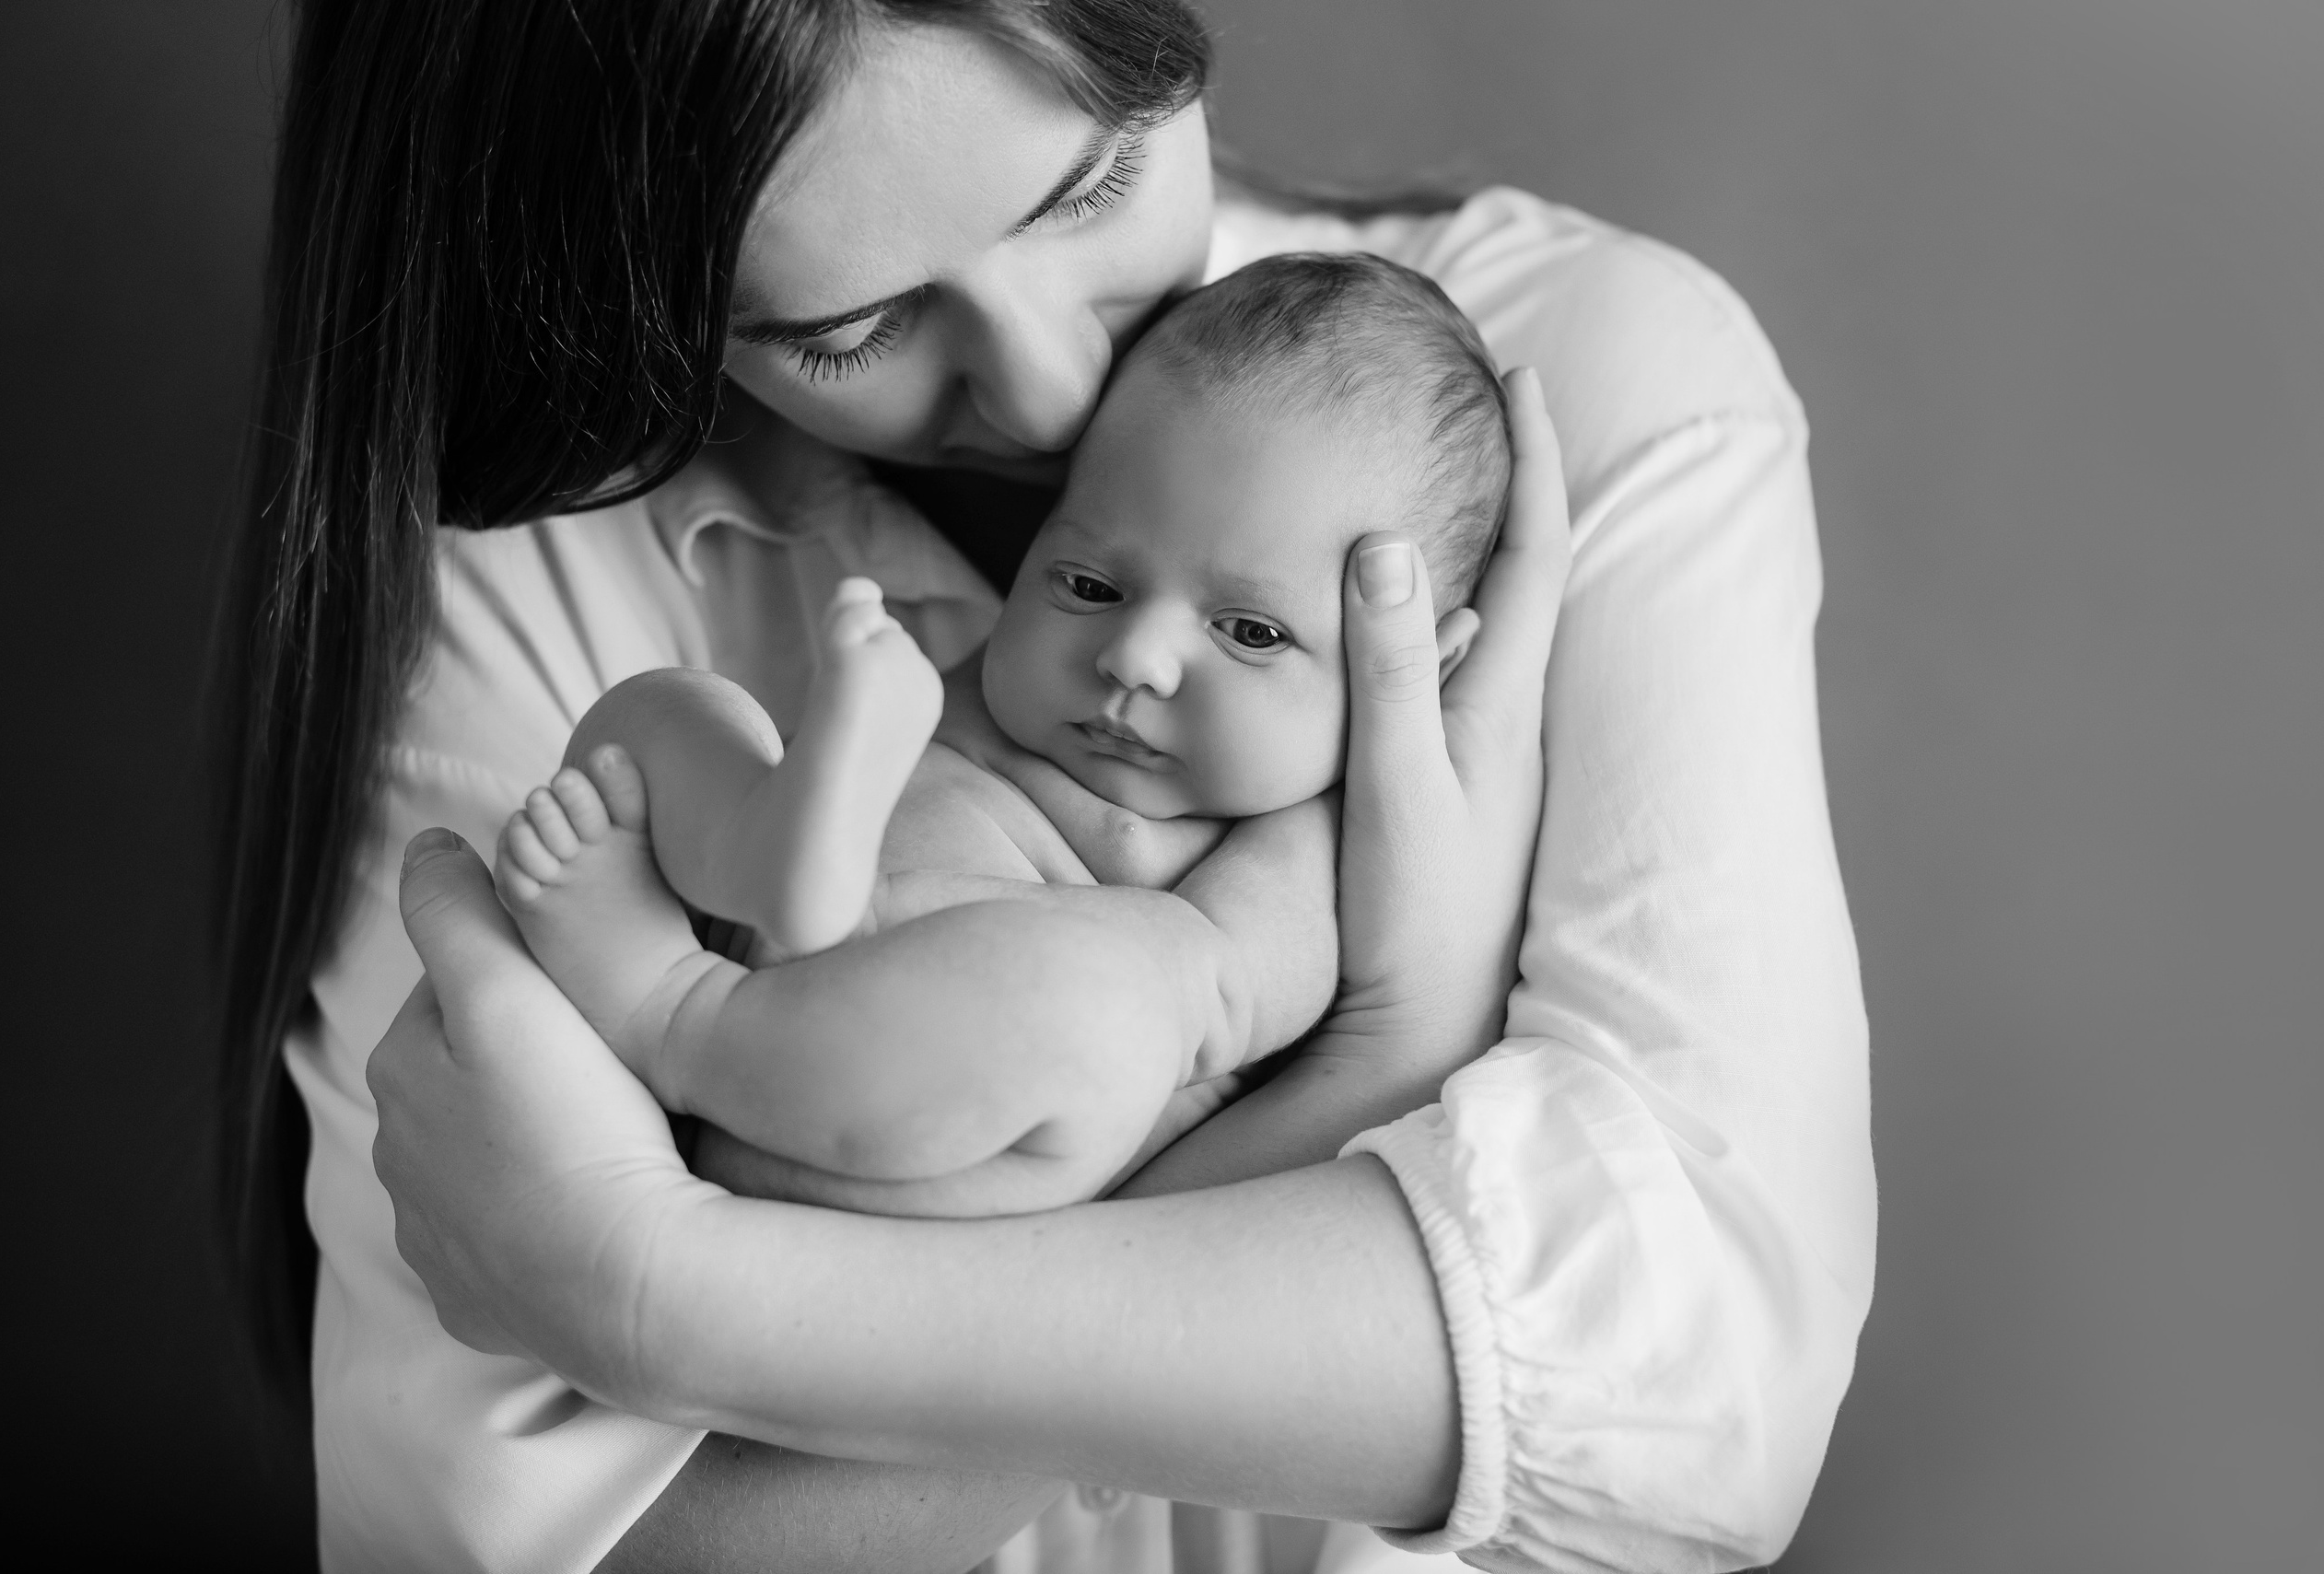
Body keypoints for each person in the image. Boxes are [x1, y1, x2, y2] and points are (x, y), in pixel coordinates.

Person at [213, 2, 1873, 1570]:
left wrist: (668, 1292)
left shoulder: (1573, 380)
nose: (1057, 396)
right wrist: (1376, 1073)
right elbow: (561, 1545)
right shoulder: (527, 575)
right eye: (847, 325)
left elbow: (1697, 1380)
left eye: (1095, 181)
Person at [491, 254, 1514, 1221]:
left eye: (1250, 632)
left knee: (1113, 1004)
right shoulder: (994, 671)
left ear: (1419, 667)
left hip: (926, 1117)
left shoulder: (1301, 838)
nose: (1134, 657)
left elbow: (1209, 993)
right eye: (1088, 582)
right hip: (748, 910)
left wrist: (940, 929)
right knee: (670, 710)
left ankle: (677, 1017)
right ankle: (774, 842)